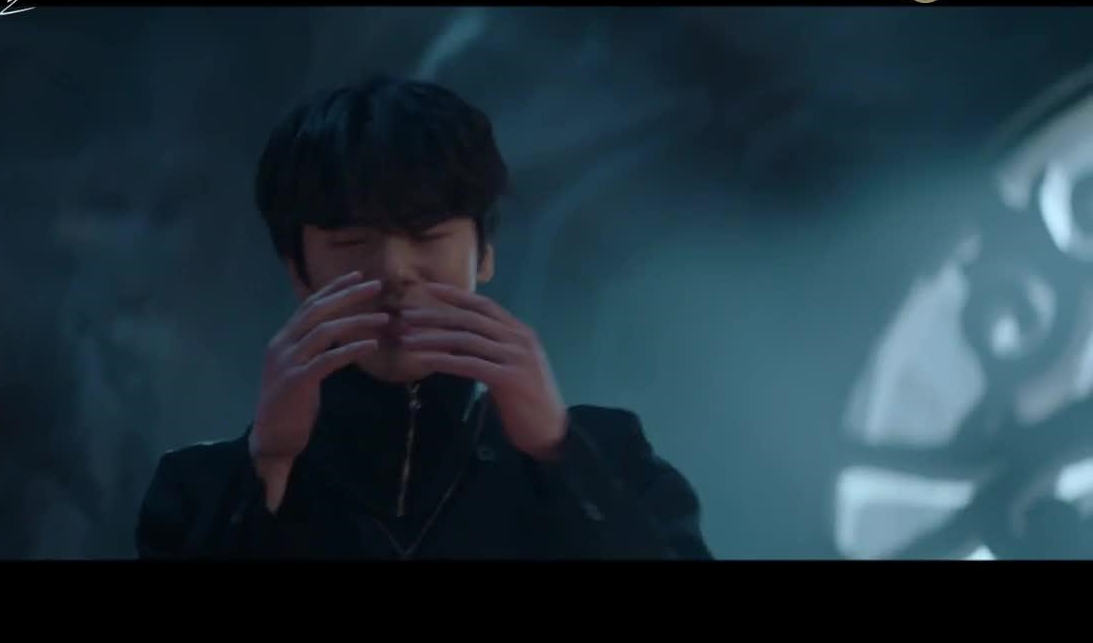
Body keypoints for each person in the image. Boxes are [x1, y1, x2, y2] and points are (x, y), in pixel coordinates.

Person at [135, 75, 714, 560]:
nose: (394, 271)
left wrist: (559, 455)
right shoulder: (199, 489)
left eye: (428, 235)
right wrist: (267, 466)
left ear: (484, 253)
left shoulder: (611, 458)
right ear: (298, 269)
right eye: (351, 241)